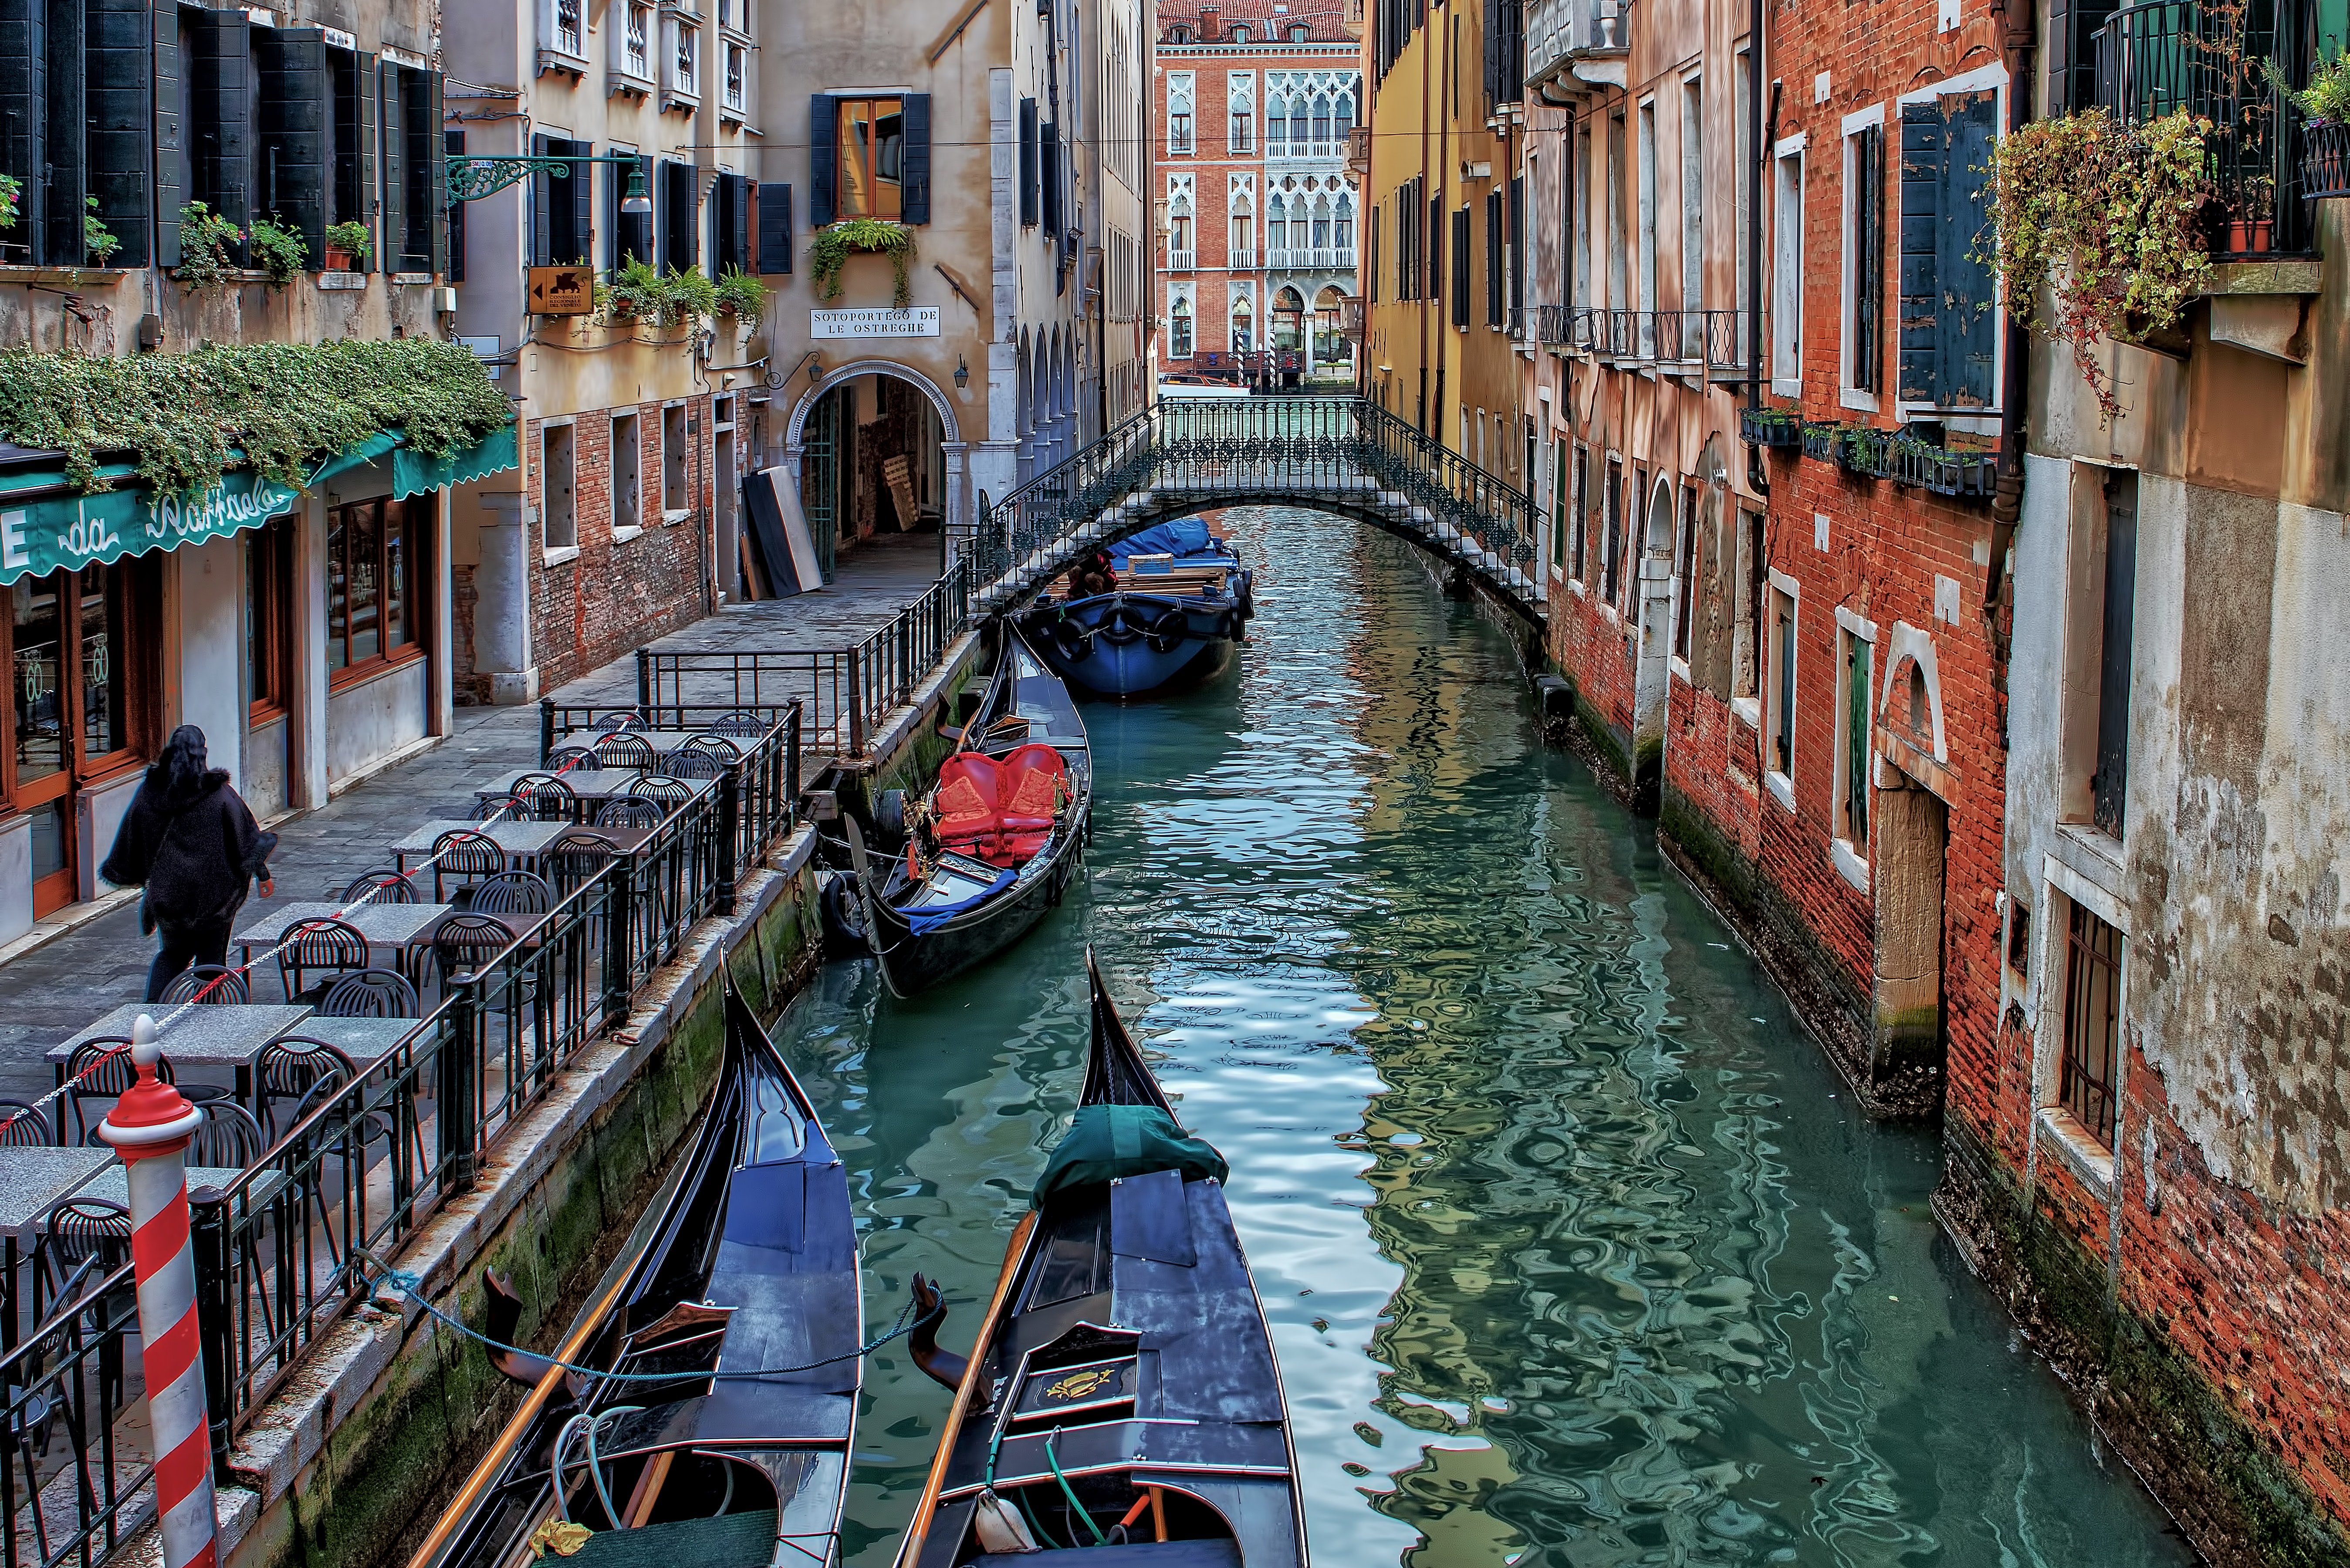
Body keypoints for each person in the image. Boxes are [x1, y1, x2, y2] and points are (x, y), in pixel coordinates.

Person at [100, 726, 277, 1003]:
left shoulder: (150, 794)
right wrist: (262, 875)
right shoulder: (220, 795)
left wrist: (141, 878)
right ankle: (204, 1024)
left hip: (169, 898)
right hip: (214, 899)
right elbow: (246, 839)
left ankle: (153, 1016)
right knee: (211, 960)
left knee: (172, 956)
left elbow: (132, 837)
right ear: (202, 754)